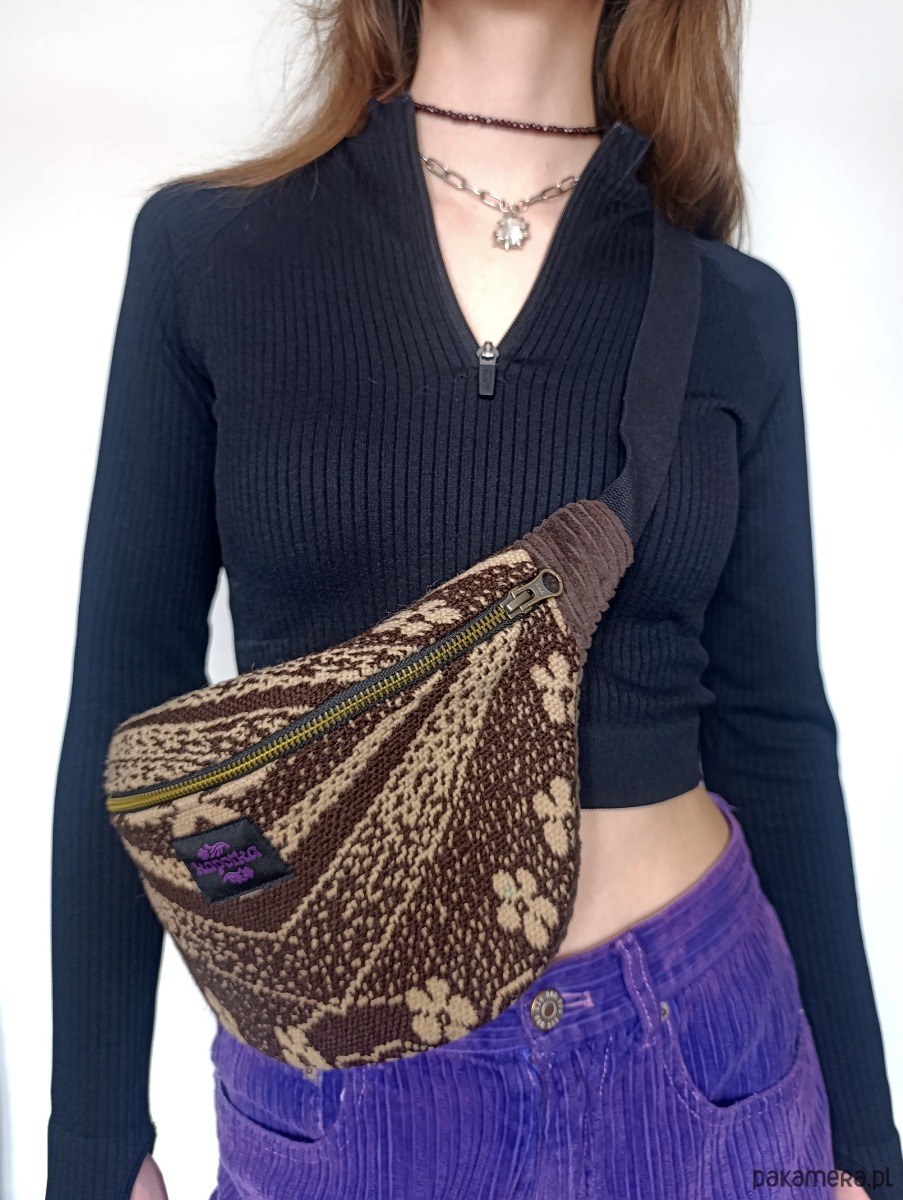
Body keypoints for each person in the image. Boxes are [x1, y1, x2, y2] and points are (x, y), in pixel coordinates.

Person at [46, 1, 901, 1198]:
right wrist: (92, 1150)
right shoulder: (211, 255)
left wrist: (868, 1152)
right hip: (344, 1093)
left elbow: (774, 731)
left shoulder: (731, 308)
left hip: (699, 1060)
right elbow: (131, 702)